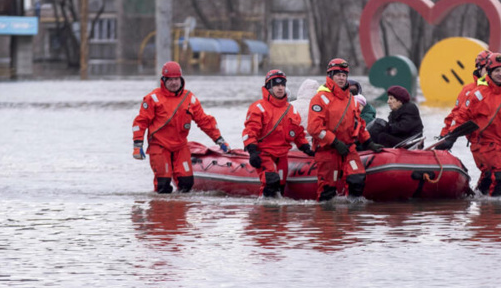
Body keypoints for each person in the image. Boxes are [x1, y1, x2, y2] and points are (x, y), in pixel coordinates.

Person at [436, 53, 501, 196]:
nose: (500, 74)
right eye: (496, 70)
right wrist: (448, 137)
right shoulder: (476, 93)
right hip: (487, 144)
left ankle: (483, 205)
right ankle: (495, 212)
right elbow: (459, 116)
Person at [132, 61, 231, 194]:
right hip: (159, 146)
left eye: (176, 79)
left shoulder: (189, 98)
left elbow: (204, 121)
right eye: (170, 80)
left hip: (180, 146)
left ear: (181, 79)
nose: (174, 83)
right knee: (163, 185)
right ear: (164, 80)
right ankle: (160, 212)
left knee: (187, 183)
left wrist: (219, 140)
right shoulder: (153, 99)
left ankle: (178, 212)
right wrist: (138, 145)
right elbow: (140, 122)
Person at [307, 58, 384, 201]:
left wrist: (369, 142)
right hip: (327, 151)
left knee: (357, 179)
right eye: (338, 75)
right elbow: (314, 128)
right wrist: (335, 142)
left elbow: (359, 124)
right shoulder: (320, 99)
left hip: (348, 149)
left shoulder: (351, 99)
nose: (341, 78)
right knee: (327, 190)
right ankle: (327, 220)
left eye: (344, 75)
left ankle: (351, 220)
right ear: (330, 76)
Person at [242, 69, 315, 197]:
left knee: (280, 185)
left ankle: (278, 215)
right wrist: (252, 151)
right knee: (271, 181)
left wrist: (306, 147)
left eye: (282, 85)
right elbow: (250, 131)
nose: (280, 88)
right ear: (269, 87)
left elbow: (297, 133)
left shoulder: (290, 109)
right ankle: (265, 212)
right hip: (264, 153)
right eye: (276, 85)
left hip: (282, 155)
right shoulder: (258, 108)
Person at [439, 49, 501, 157]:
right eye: (486, 68)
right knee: (497, 171)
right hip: (482, 142)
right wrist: (445, 137)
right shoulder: (469, 91)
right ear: (479, 69)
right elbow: (456, 116)